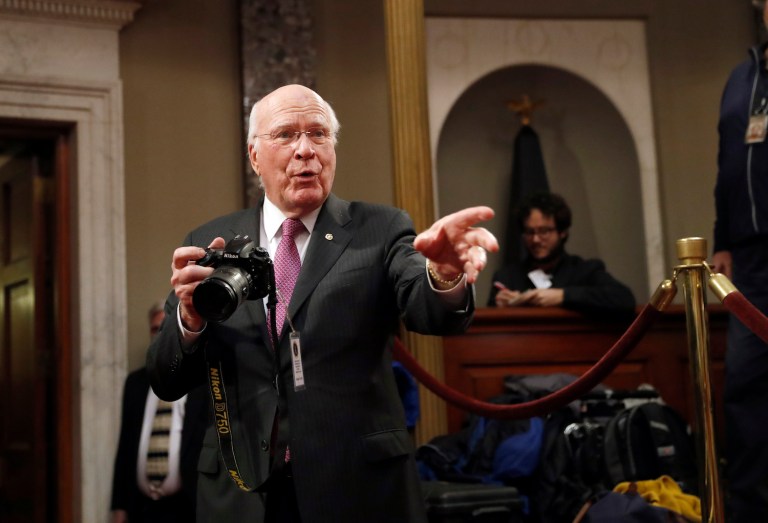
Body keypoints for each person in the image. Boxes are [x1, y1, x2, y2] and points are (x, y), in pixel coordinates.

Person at [146, 84, 499, 523]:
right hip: (242, 493)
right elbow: (167, 378)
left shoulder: (380, 229)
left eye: (318, 134)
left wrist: (444, 273)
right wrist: (189, 318)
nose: (305, 150)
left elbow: (429, 308)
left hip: (357, 490)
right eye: (286, 135)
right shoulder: (208, 241)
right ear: (255, 156)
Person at [712, 4, 768, 520]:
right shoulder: (741, 78)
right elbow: (727, 167)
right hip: (750, 263)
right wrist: (722, 240)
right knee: (745, 389)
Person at [110, 301, 208, 523]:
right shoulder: (135, 383)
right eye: (155, 328)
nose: (160, 333)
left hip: (187, 508)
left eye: (166, 326)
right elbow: (125, 447)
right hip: (142, 510)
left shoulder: (201, 381)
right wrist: (119, 507)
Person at [487, 192, 635, 316]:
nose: (535, 239)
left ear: (562, 232)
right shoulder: (507, 277)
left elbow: (624, 299)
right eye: (529, 232)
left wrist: (563, 296)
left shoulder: (585, 270)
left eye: (544, 231)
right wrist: (501, 306)